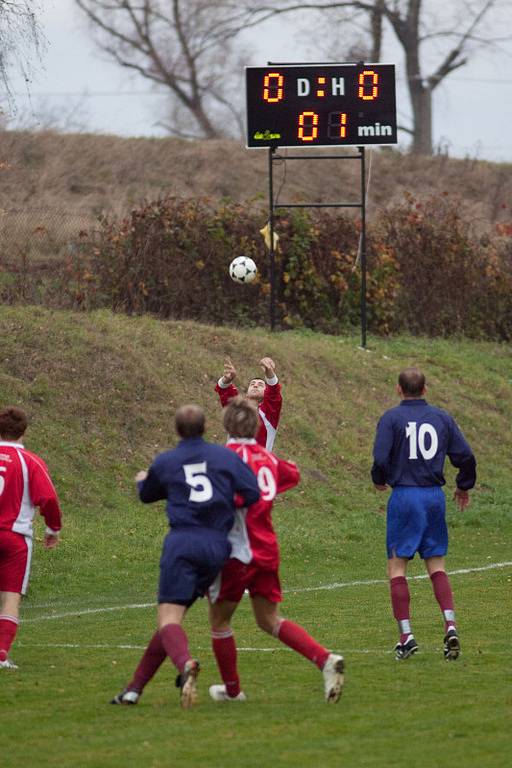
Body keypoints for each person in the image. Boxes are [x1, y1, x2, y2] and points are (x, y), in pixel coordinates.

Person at [111, 404, 260, 709]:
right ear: (206, 428)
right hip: (218, 547)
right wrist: (223, 498)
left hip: (183, 543)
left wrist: (143, 480)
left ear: (177, 430)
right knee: (172, 622)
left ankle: (186, 664)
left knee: (169, 618)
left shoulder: (167, 461)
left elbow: (147, 494)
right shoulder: (225, 457)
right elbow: (253, 493)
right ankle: (133, 689)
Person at [208, 397, 345, 704]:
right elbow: (292, 474)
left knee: (219, 621)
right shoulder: (266, 458)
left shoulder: (222, 458)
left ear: (226, 424)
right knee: (268, 619)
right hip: (267, 549)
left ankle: (232, 692)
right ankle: (325, 659)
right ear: (256, 426)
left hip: (235, 552)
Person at [371, 367, 477, 661]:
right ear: (425, 390)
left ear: (398, 389)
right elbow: (465, 456)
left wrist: (378, 477)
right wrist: (464, 485)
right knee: (437, 565)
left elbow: (380, 458)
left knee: (397, 567)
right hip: (433, 497)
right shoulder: (442, 418)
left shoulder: (392, 418)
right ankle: (451, 625)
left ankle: (406, 636)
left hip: (405, 496)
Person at [0, 406, 62, 670]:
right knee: (11, 597)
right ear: (24, 431)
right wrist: (53, 528)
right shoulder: (31, 462)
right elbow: (47, 498)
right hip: (15, 538)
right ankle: (1, 654)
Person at [215, 356, 282, 450]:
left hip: (258, 464)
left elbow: (274, 393)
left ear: (266, 393)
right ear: (246, 394)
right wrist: (227, 379)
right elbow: (225, 391)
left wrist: (269, 372)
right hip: (233, 462)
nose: (255, 385)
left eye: (260, 385)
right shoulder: (237, 410)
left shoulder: (270, 415)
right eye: (252, 384)